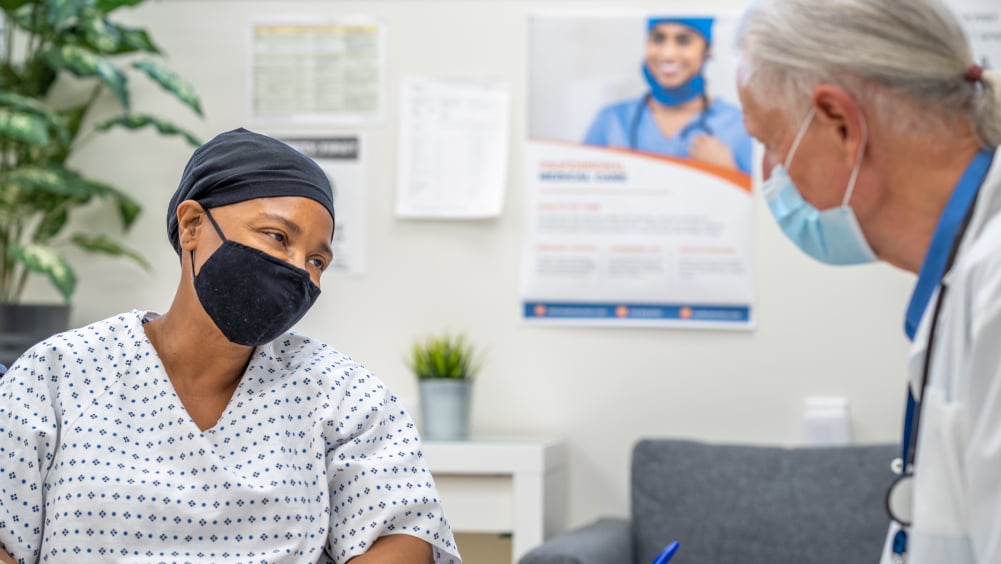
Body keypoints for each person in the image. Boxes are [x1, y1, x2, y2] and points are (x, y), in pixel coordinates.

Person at [0, 128, 461, 563]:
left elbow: (405, 533)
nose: (299, 270)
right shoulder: (55, 376)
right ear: (192, 226)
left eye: (317, 260)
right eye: (278, 237)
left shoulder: (343, 396)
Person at [735, 0, 1001, 562]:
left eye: (771, 141)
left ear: (840, 123)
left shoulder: (993, 286)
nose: (768, 173)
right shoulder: (960, 278)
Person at [582, 16, 753, 175]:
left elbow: (759, 196)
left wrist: (728, 171)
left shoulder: (739, 126)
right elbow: (581, 188)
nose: (668, 54)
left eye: (683, 40)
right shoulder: (611, 121)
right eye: (658, 38)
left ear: (707, 50)